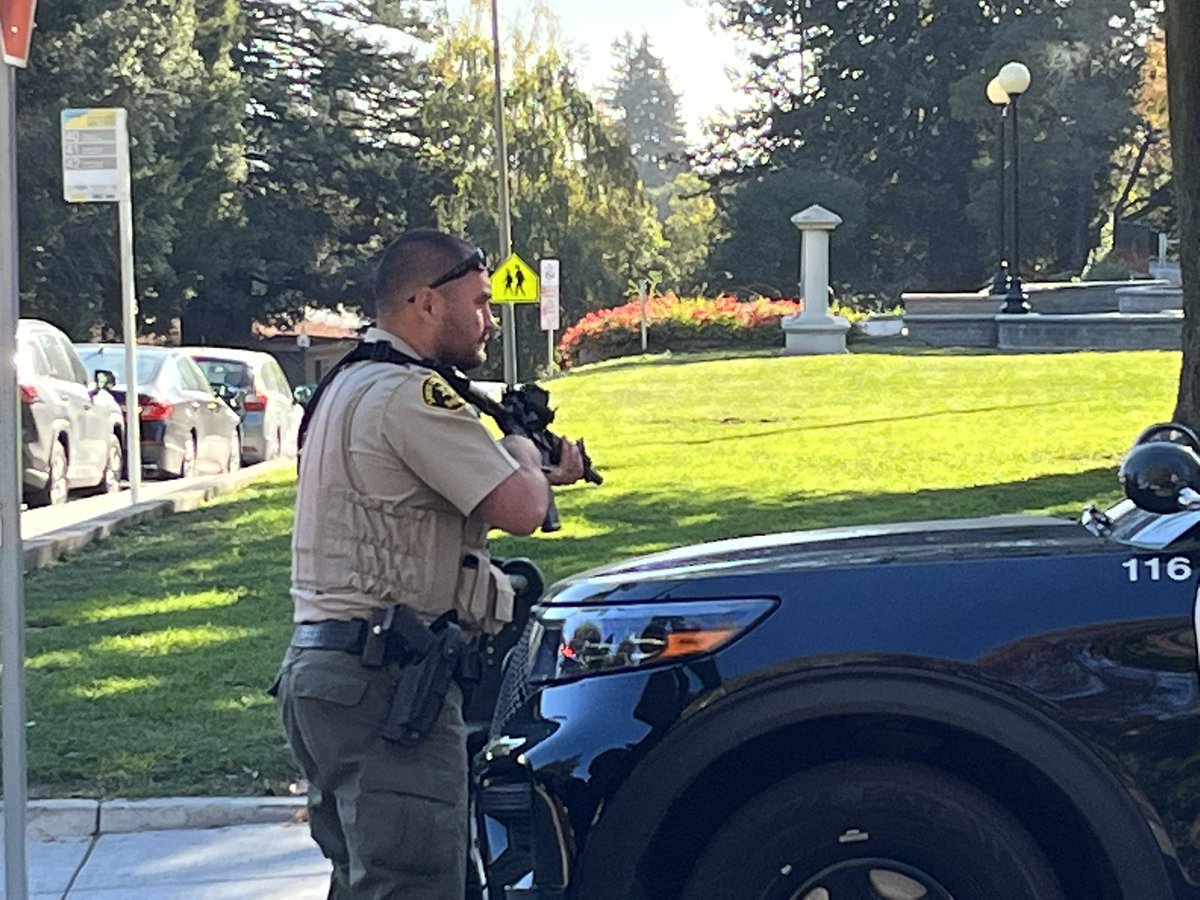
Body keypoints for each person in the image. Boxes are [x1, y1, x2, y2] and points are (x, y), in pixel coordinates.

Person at [273, 228, 585, 899]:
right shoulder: (412, 397)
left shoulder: (350, 383)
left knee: (367, 883)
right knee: (414, 885)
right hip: (386, 688)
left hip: (331, 677)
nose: (489, 320)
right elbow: (520, 507)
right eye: (477, 304)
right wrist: (527, 453)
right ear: (424, 303)